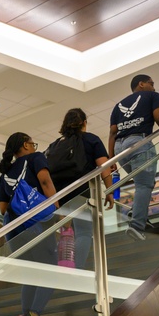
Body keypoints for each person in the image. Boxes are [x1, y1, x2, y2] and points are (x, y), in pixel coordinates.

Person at [0, 132, 58, 316]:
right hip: (37, 225)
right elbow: (45, 181)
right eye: (32, 143)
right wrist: (58, 213)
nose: (34, 146)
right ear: (26, 144)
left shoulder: (6, 172)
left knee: (31, 276)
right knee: (51, 271)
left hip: (14, 230)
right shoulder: (36, 157)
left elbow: (3, 207)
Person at [107, 74, 159, 241]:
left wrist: (112, 160)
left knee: (143, 184)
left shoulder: (118, 105)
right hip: (138, 142)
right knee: (144, 185)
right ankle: (137, 226)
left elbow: (112, 132)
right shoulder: (153, 96)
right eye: (151, 84)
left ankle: (139, 213)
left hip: (120, 149)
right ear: (141, 84)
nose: (154, 87)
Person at [46, 108, 114, 269]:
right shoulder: (91, 140)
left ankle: (66, 264)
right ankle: (79, 269)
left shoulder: (55, 144)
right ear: (84, 123)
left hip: (60, 196)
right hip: (82, 193)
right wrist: (110, 191)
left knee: (68, 231)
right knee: (83, 232)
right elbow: (105, 167)